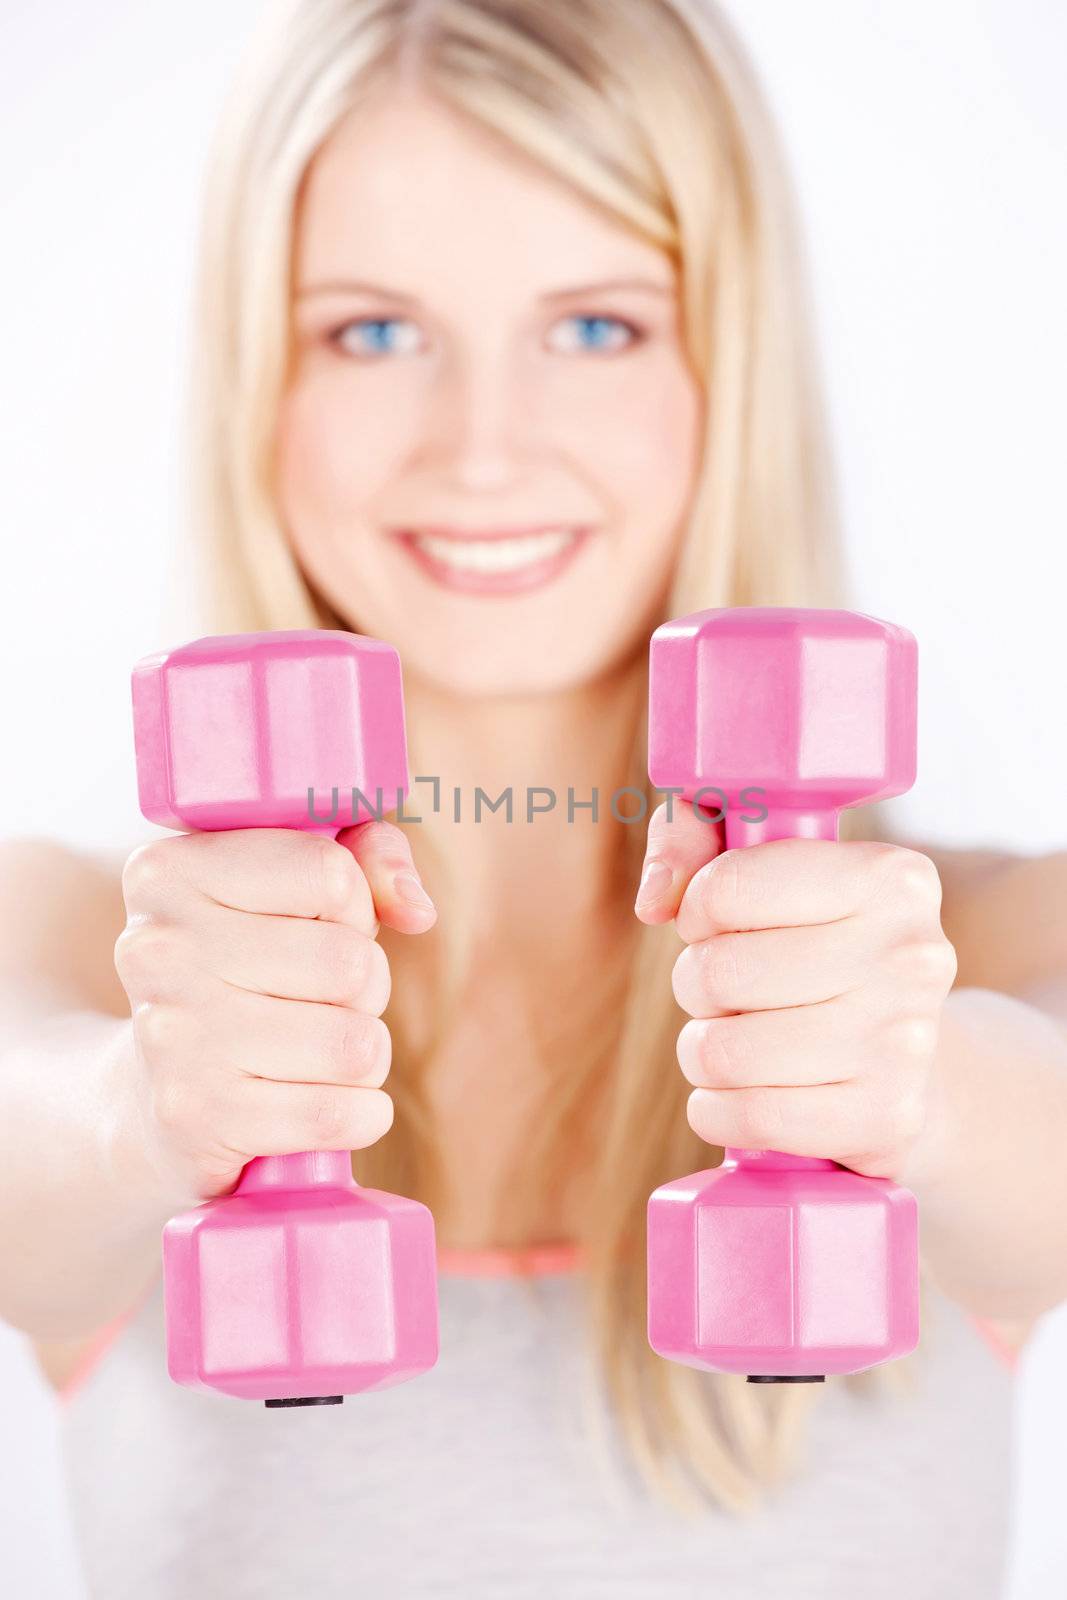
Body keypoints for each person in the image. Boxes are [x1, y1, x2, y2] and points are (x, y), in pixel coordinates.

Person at [1, 2, 1064, 1596]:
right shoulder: (80, 949)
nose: (485, 452)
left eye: (594, 328)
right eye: (372, 332)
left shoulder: (978, 941)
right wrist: (147, 1107)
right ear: (258, 380)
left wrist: (918, 1084)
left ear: (728, 360)